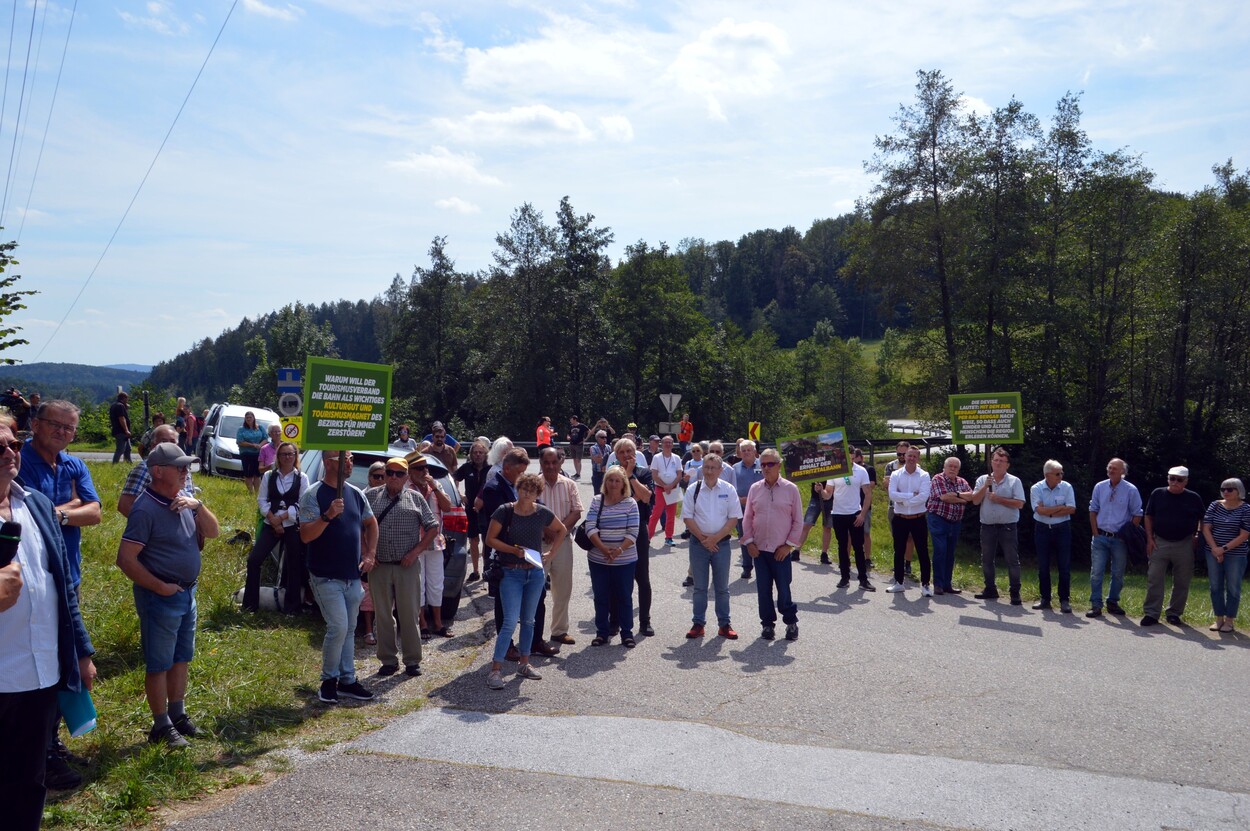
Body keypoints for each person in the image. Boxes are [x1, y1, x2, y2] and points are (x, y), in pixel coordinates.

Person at [0, 415, 96, 831]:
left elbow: (63, 591)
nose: (9, 453)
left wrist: (81, 651)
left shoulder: (36, 504)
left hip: (40, 676)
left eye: (13, 444)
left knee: (28, 784)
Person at [18, 400, 103, 789]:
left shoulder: (74, 464)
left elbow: (96, 511)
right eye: (56, 425)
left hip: (68, 577)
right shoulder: (18, 461)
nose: (64, 434)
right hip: (29, 581)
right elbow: (29, 514)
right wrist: (70, 507)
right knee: (34, 665)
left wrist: (61, 512)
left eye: (70, 429)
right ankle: (39, 752)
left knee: (62, 661)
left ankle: (48, 741)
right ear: (35, 424)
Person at [116, 443, 221, 746]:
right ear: (159, 472)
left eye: (187, 466)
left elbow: (213, 532)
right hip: (161, 596)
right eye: (181, 467)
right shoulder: (145, 508)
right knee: (159, 663)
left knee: (180, 659)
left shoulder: (183, 499)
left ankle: (178, 715)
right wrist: (159, 587)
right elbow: (125, 559)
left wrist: (197, 506)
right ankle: (160, 725)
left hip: (186, 594)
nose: (186, 471)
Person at [299, 450, 379, 704]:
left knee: (349, 628)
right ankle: (328, 681)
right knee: (338, 627)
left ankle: (347, 680)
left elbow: (371, 523)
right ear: (327, 462)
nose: (349, 462)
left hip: (351, 575)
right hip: (325, 576)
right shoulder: (313, 495)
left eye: (351, 459)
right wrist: (327, 516)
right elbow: (305, 535)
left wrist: (370, 554)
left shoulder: (355, 493)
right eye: (342, 458)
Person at [483, 473, 567, 689]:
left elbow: (562, 530)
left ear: (538, 493)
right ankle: (495, 670)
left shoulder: (542, 512)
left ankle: (524, 663)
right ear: (518, 489)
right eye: (524, 489)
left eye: (532, 490)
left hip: (535, 573)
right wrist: (513, 550)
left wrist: (552, 554)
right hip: (511, 572)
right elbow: (490, 540)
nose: (527, 493)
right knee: (510, 621)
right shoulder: (505, 511)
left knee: (529, 621)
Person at [365, 457, 439, 676]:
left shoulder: (416, 498)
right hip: (380, 566)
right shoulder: (370, 496)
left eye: (399, 473)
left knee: (409, 614)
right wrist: (367, 552)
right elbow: (359, 526)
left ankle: (412, 660)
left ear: (407, 477)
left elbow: (433, 527)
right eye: (389, 472)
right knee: (383, 615)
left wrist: (416, 552)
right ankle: (388, 660)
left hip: (407, 566)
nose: (393, 477)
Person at [742, 448, 804, 640]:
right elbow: (747, 518)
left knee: (784, 589)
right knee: (763, 589)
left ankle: (791, 622)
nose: (766, 468)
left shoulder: (790, 489)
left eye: (770, 464)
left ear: (779, 465)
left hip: (781, 550)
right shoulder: (755, 488)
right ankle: (767, 625)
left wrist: (788, 546)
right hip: (759, 550)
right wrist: (749, 542)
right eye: (763, 464)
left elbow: (798, 521)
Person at [241, 442, 309, 614]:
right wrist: (273, 519)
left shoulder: (302, 478)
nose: (287, 457)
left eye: (291, 454)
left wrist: (282, 518)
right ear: (278, 457)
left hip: (292, 525)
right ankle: (250, 605)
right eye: (284, 454)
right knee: (254, 560)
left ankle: (292, 608)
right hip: (270, 523)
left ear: (295, 456)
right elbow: (262, 500)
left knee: (294, 565)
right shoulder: (269, 476)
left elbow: (303, 503)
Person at [683, 453, 742, 639]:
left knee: (722, 587)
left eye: (713, 468)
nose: (709, 471)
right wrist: (703, 539)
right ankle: (698, 624)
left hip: (721, 545)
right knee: (700, 587)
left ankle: (724, 624)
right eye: (706, 468)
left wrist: (715, 539)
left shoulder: (729, 489)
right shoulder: (693, 489)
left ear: (720, 470)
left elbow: (733, 518)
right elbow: (687, 517)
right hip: (698, 544)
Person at [1141, 466, 1205, 627]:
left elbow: (1203, 518)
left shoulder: (1193, 497)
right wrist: (1149, 538)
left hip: (1184, 543)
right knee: (1154, 577)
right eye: (1172, 478)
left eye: (1179, 479)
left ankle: (1174, 613)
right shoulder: (1158, 493)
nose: (1175, 482)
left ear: (1186, 481)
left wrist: (1198, 534)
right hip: (1159, 541)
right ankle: (1151, 613)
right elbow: (1148, 515)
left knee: (1182, 580)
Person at [585, 466, 640, 647]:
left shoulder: (631, 503)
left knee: (624, 596)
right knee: (601, 596)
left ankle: (627, 633)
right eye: (610, 480)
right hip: (598, 559)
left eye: (617, 480)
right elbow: (590, 527)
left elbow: (633, 531)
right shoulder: (597, 501)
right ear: (605, 482)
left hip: (624, 559)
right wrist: (602, 549)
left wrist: (618, 550)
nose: (614, 484)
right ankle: (602, 632)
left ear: (623, 483)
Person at [968, 447, 1026, 604]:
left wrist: (999, 499)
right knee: (987, 559)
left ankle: (1015, 592)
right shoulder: (982, 480)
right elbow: (975, 500)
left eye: (1002, 461)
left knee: (1012, 560)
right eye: (996, 460)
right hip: (987, 526)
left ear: (1007, 464)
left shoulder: (1014, 481)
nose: (998, 463)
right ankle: (990, 589)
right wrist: (985, 487)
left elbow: (1020, 503)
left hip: (1008, 527)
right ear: (991, 462)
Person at [1087, 457, 1142, 617]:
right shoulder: (1100, 487)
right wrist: (1095, 533)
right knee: (1096, 572)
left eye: (1114, 469)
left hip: (1120, 539)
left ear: (1123, 472)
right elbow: (1093, 510)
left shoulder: (1131, 490)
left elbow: (1137, 514)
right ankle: (1096, 604)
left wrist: (1128, 534)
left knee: (1117, 573)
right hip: (1100, 537)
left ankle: (1113, 602)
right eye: (1109, 467)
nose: (1111, 471)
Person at [610, 438, 655, 636]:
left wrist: (630, 476)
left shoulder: (644, 473)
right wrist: (631, 498)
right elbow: (611, 500)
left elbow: (646, 497)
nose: (627, 455)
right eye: (623, 452)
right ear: (617, 455)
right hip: (616, 530)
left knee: (642, 578)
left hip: (639, 530)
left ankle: (645, 621)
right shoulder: (611, 475)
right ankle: (615, 620)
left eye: (630, 451)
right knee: (618, 578)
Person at [406, 452, 453, 637]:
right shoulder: (406, 486)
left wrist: (433, 486)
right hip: (414, 544)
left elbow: (447, 507)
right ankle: (422, 622)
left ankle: (438, 623)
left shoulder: (435, 485)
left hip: (435, 543)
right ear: (410, 471)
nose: (424, 471)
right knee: (419, 585)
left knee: (436, 584)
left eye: (426, 467)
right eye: (419, 468)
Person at [540, 447, 583, 645]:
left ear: (560, 463)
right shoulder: (533, 484)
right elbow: (524, 509)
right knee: (535, 590)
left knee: (562, 589)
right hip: (538, 543)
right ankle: (534, 635)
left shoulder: (569, 485)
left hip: (563, 544)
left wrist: (558, 531)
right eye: (546, 462)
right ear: (540, 463)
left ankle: (559, 631)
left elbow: (576, 512)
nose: (550, 466)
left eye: (553, 462)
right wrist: (544, 528)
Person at [1202, 477, 1249, 633]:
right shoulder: (1214, 506)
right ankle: (1219, 618)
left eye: (1230, 489)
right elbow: (1206, 528)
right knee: (1215, 586)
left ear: (1239, 491)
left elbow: (1244, 534)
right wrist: (1215, 549)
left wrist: (1224, 549)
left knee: (1233, 587)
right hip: (1213, 551)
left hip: (1236, 554)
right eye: (1223, 489)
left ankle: (1229, 620)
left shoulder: (1246, 509)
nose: (1226, 492)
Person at [118, 424, 197, 517]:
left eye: (172, 441)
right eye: (163, 441)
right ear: (152, 446)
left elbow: (191, 500)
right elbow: (125, 506)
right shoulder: (143, 469)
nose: (168, 445)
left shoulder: (184, 469)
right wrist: (156, 525)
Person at [823, 452, 875, 590]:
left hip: (855, 514)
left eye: (852, 459)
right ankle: (844, 578)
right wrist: (820, 491)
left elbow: (868, 494)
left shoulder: (861, 471)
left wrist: (862, 514)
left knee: (858, 547)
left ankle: (863, 580)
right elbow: (828, 494)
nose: (850, 461)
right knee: (842, 546)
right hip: (838, 513)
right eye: (848, 459)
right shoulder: (835, 470)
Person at [1030, 460, 1077, 612]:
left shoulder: (1066, 487)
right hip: (1042, 529)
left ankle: (1064, 600)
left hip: (1062, 529)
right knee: (1043, 566)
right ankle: (1045, 598)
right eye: (1058, 473)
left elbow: (1071, 509)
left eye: (1062, 472)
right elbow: (1039, 511)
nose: (1061, 476)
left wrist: (1049, 510)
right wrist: (1059, 508)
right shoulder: (1036, 488)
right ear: (1047, 475)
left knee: (1064, 566)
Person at [886, 446, 930, 594]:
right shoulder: (896, 474)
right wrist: (912, 495)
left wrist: (904, 500)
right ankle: (898, 582)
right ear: (905, 456)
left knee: (923, 551)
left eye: (914, 456)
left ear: (918, 458)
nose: (911, 459)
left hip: (918, 519)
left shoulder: (924, 475)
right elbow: (892, 494)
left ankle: (925, 585)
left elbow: (924, 496)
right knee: (898, 551)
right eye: (909, 456)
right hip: (900, 519)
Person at [926, 456, 969, 596]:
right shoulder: (938, 479)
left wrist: (956, 495)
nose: (952, 468)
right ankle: (938, 584)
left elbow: (972, 497)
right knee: (940, 550)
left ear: (958, 469)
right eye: (950, 466)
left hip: (955, 522)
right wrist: (962, 498)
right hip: (938, 519)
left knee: (950, 553)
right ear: (944, 467)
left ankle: (947, 584)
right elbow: (944, 497)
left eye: (955, 467)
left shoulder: (962, 482)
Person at [454, 438, 491, 581]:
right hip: (470, 510)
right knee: (473, 541)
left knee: (487, 541)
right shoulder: (467, 467)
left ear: (485, 454)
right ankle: (475, 571)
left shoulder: (490, 468)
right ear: (471, 454)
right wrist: (460, 494)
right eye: (475, 452)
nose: (478, 455)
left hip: (487, 510)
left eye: (481, 452)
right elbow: (453, 478)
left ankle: (486, 570)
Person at [733, 440, 763, 580]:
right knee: (744, 537)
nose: (746, 452)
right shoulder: (735, 468)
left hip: (761, 509)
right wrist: (738, 500)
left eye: (749, 450)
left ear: (755, 451)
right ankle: (746, 567)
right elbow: (731, 489)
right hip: (742, 508)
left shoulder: (763, 465)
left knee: (760, 537)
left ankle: (761, 566)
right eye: (743, 450)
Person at [648, 435, 682, 547]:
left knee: (671, 514)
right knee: (656, 513)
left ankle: (669, 537)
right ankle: (648, 537)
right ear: (662, 444)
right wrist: (664, 485)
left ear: (673, 444)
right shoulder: (657, 457)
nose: (668, 444)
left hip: (673, 488)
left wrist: (671, 485)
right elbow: (654, 475)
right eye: (666, 442)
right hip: (660, 488)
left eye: (670, 442)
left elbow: (679, 474)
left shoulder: (676, 458)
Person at [852, 447, 876, 566]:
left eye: (856, 457)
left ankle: (867, 558)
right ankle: (847, 559)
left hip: (865, 506)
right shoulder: (848, 469)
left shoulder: (869, 469)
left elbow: (871, 485)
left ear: (861, 457)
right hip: (851, 506)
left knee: (866, 532)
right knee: (849, 535)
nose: (854, 460)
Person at [236, 411, 266, 495]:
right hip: (246, 453)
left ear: (254, 418)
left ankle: (257, 493)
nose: (249, 419)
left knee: (257, 474)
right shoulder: (241, 429)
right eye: (247, 418)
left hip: (258, 454)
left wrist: (260, 445)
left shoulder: (260, 428)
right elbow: (240, 441)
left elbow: (265, 438)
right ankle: (251, 492)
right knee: (248, 474)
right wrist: (252, 445)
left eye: (250, 417)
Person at [110, 390, 133, 463]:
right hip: (121, 431)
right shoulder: (120, 406)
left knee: (128, 449)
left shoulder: (114, 405)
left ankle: (128, 462)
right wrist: (126, 430)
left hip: (118, 430)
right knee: (120, 449)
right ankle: (114, 464)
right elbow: (121, 418)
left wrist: (125, 407)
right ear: (124, 398)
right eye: (127, 399)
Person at [566, 415, 589, 480]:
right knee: (574, 459)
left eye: (571, 419)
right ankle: (576, 473)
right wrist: (568, 437)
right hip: (572, 444)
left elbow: (589, 431)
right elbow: (568, 433)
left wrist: (586, 439)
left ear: (574, 419)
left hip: (579, 444)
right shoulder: (571, 427)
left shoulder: (582, 426)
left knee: (578, 460)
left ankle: (579, 474)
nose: (570, 421)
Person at [589, 430, 610, 496]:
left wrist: (602, 458)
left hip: (607, 473)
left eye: (605, 437)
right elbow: (597, 460)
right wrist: (606, 459)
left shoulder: (608, 447)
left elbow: (610, 460)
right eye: (602, 437)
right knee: (598, 494)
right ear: (597, 438)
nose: (605, 439)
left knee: (607, 493)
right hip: (597, 473)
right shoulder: (593, 448)